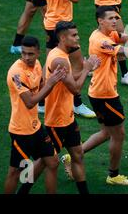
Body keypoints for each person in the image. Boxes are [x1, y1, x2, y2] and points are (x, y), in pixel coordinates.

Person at [61, 5, 128, 185]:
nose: (115, 21)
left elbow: (127, 39)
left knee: (106, 132)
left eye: (116, 17)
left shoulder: (108, 35)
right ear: (100, 21)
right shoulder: (101, 41)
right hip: (105, 95)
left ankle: (72, 156)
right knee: (118, 134)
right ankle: (113, 176)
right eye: (111, 18)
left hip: (100, 92)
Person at [39, 0, 96, 117]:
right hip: (59, 26)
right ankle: (76, 103)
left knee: (50, 64)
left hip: (57, 23)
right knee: (78, 63)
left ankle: (41, 102)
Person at [4, 36, 66, 194]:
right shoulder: (16, 73)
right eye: (23, 53)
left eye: (30, 54)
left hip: (35, 127)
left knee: (52, 162)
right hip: (21, 132)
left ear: (38, 53)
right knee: (15, 172)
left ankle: (24, 191)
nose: (26, 57)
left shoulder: (37, 65)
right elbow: (30, 102)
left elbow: (41, 91)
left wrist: (52, 82)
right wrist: (51, 83)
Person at [44, 21, 100, 194]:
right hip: (56, 120)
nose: (78, 38)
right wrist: (87, 69)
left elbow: (69, 78)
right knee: (44, 163)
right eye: (74, 35)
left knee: (78, 155)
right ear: (62, 37)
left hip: (67, 118)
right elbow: (75, 89)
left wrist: (86, 70)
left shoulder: (60, 54)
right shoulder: (59, 59)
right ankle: (23, 187)